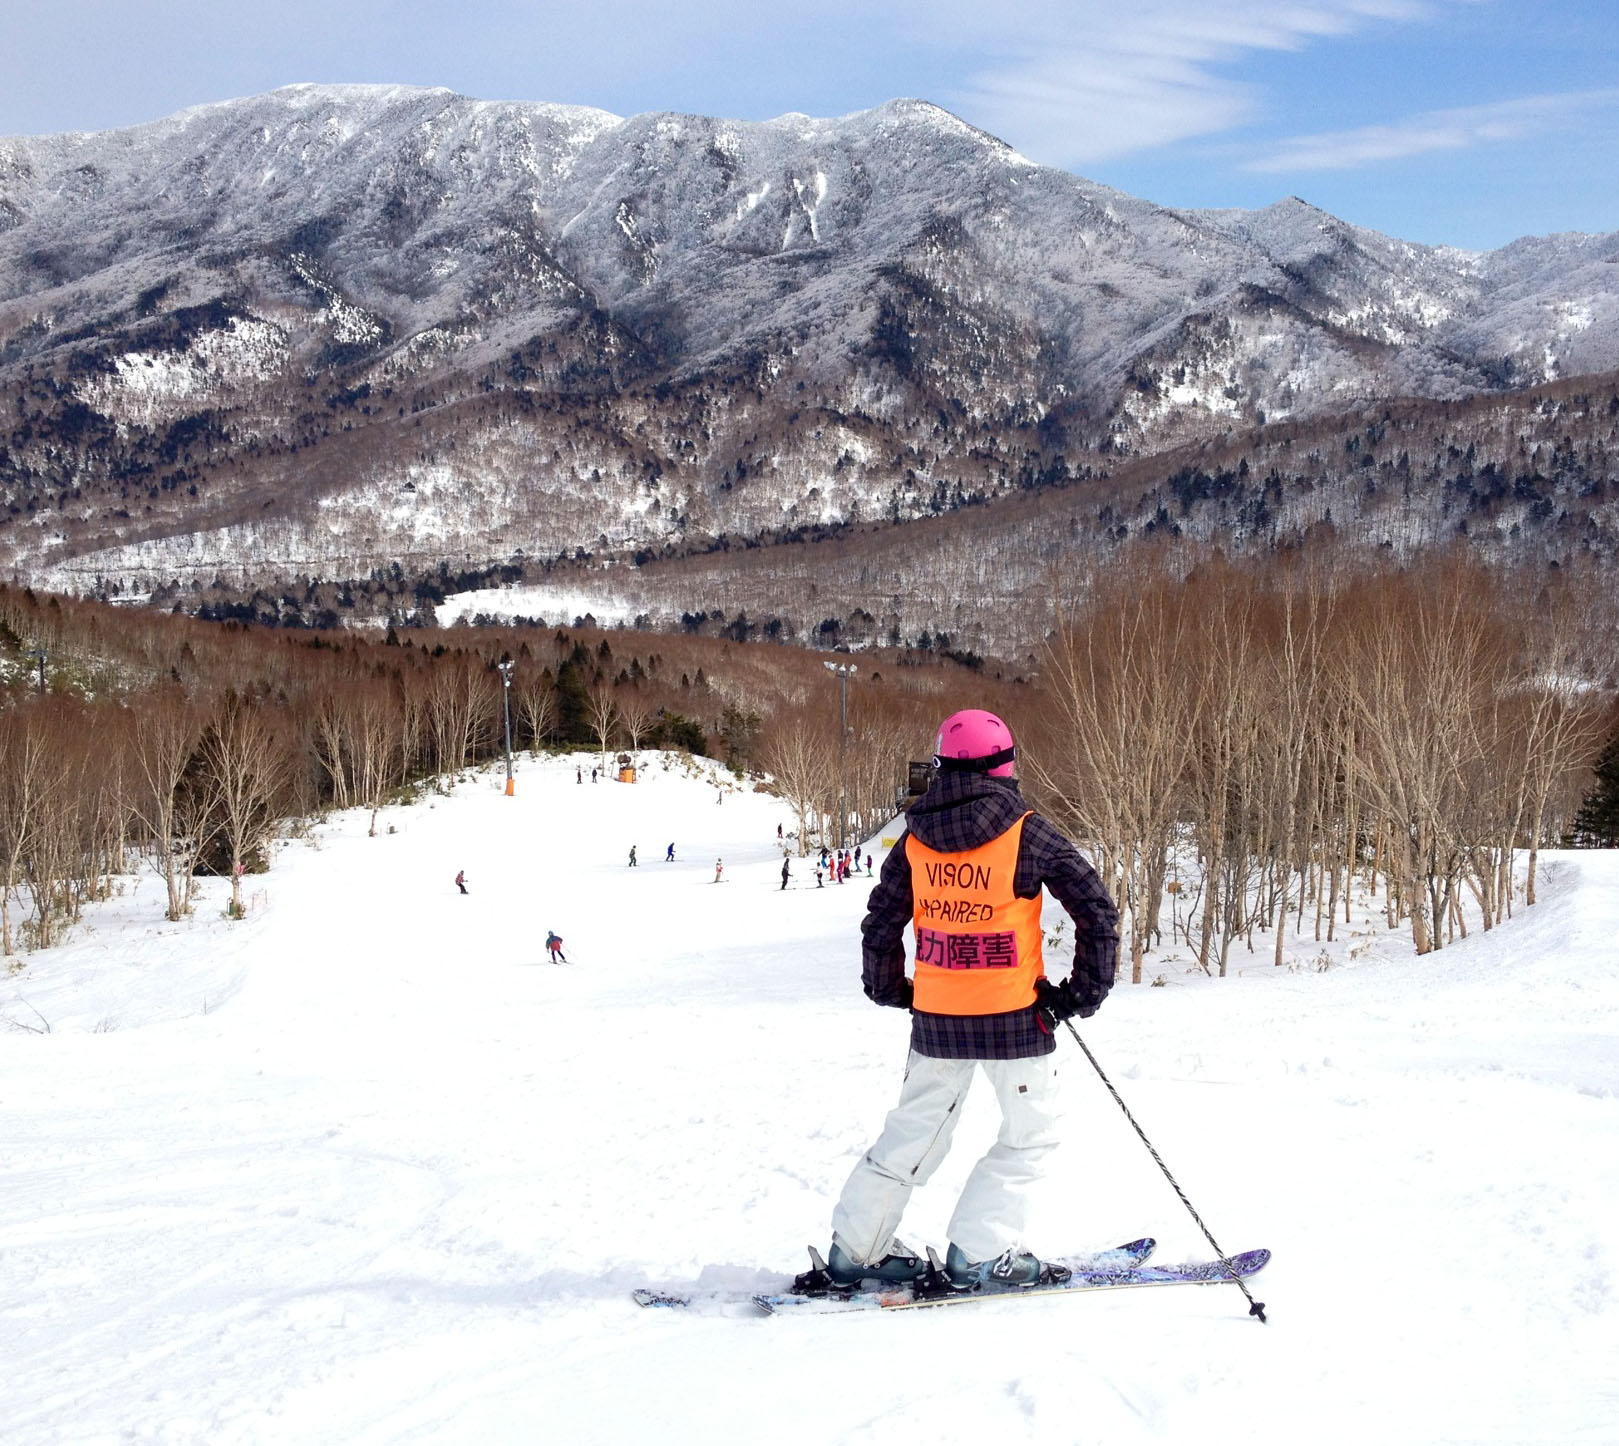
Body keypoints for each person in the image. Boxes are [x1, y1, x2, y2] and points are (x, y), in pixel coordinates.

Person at [815, 708, 1119, 1293]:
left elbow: (882, 922)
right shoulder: (1028, 830)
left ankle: (855, 1252)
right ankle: (978, 1252)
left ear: (943, 766)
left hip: (939, 1022)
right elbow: (1096, 911)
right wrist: (1078, 996)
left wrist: (891, 989)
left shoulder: (915, 836)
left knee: (913, 1135)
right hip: (1017, 1019)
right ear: (1005, 766)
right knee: (1030, 1136)